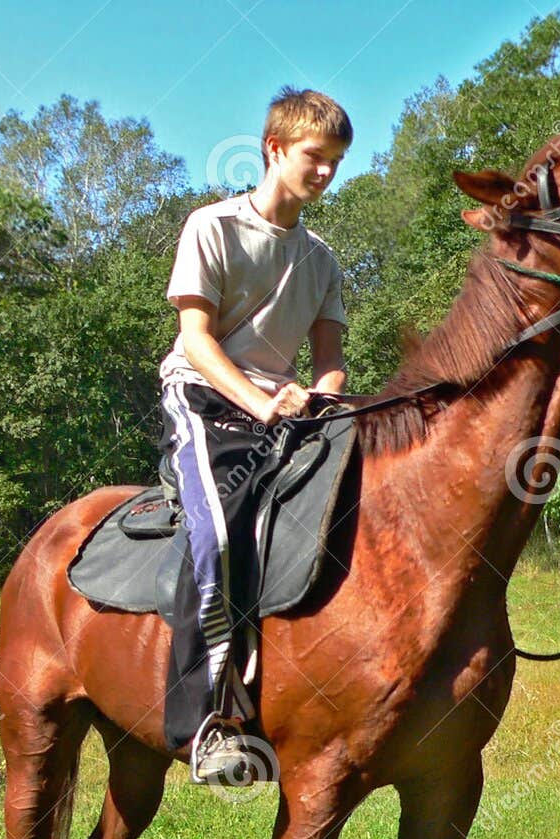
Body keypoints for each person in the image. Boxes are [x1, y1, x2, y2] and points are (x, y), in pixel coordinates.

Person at [158, 86, 352, 784]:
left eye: (335, 161)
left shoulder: (324, 260)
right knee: (216, 533)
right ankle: (204, 724)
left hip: (281, 409)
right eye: (314, 157)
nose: (325, 172)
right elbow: (197, 340)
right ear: (274, 148)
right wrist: (259, 402)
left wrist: (321, 402)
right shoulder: (210, 227)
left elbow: (330, 363)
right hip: (205, 399)